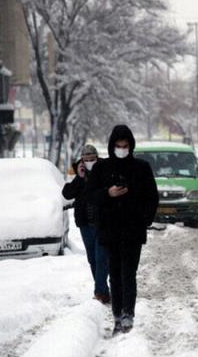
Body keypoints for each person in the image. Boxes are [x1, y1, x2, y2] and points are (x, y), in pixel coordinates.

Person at [86, 125, 158, 334]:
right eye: (118, 146)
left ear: (131, 146)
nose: (121, 149)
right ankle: (118, 314)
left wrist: (145, 219)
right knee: (115, 274)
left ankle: (128, 314)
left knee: (129, 274)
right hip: (110, 230)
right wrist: (108, 193)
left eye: (125, 146)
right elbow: (91, 196)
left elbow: (152, 197)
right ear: (111, 146)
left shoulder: (141, 168)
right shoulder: (101, 169)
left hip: (133, 230)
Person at [62, 144, 110, 304]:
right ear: (82, 160)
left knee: (101, 257)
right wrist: (79, 177)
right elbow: (67, 193)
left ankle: (99, 292)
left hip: (103, 221)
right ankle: (103, 289)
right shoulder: (77, 171)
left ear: (97, 158)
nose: (89, 162)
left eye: (92, 159)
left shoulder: (105, 169)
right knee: (92, 258)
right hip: (85, 223)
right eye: (86, 159)